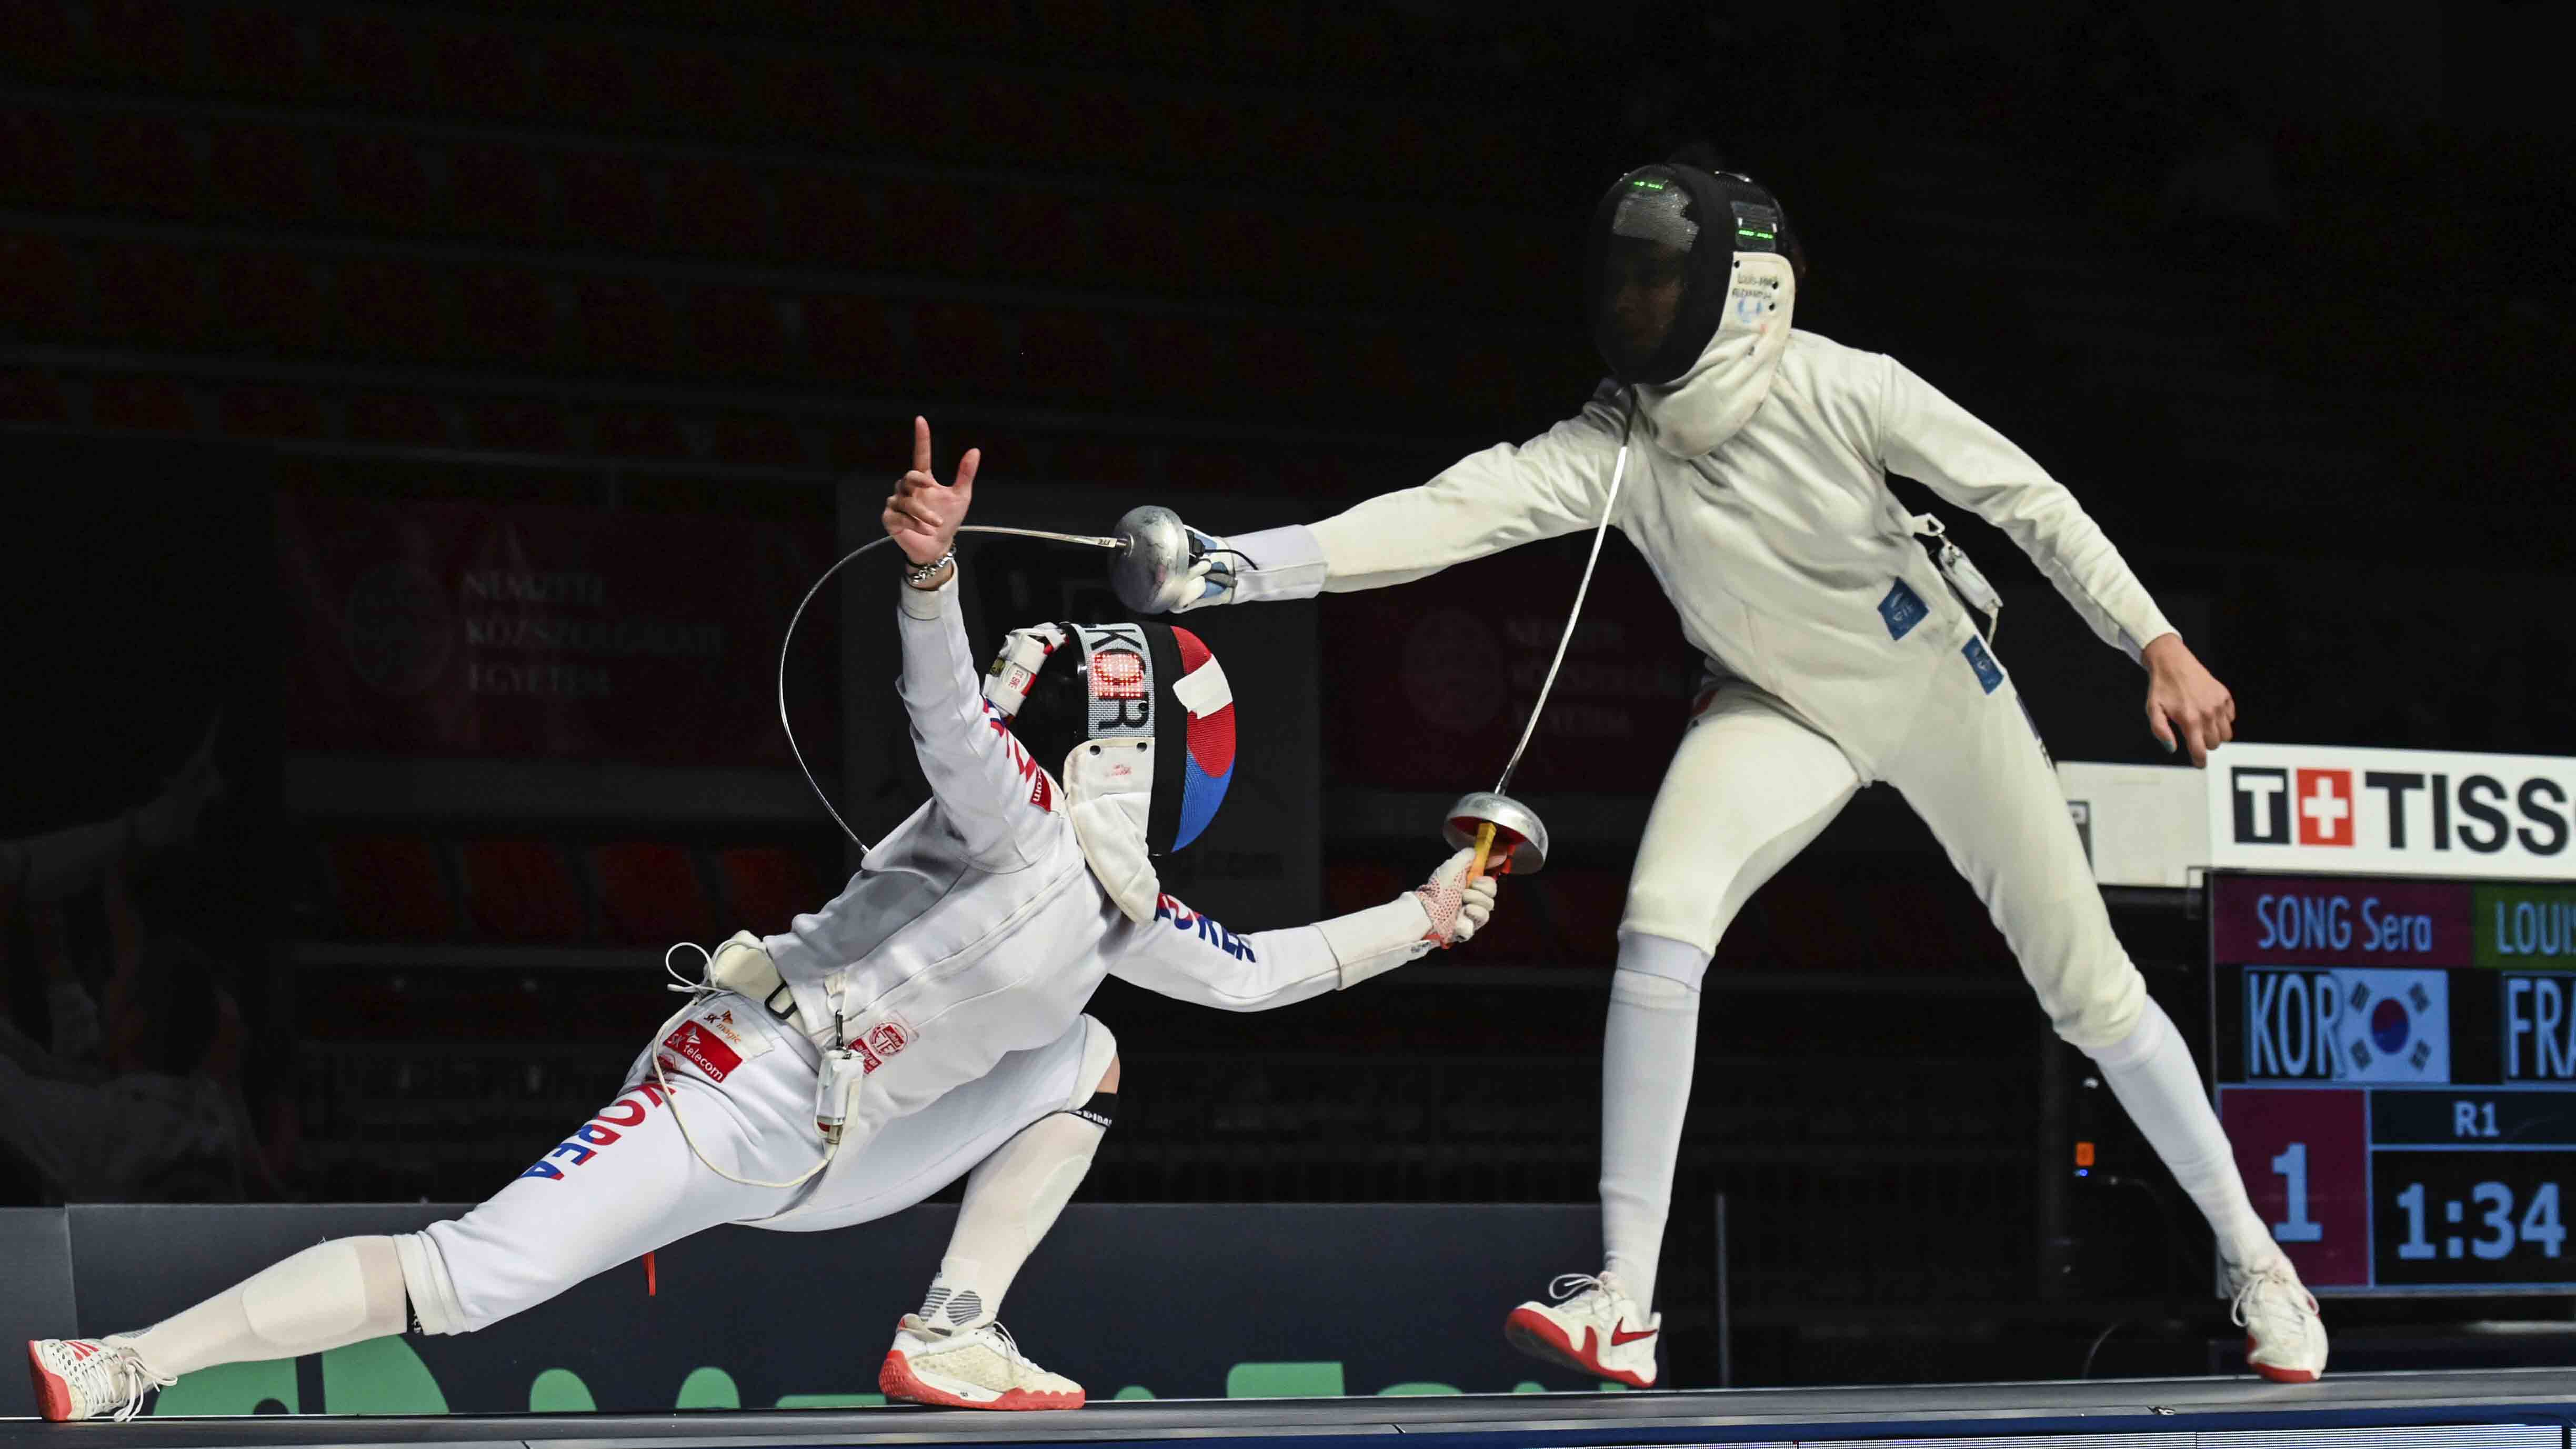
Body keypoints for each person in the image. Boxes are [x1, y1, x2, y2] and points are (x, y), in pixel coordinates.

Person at [26, 419, 1502, 1422]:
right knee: (464, 1280)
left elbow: (1265, 976)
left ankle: (954, 1328)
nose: (1055, 713)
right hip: (730, 1096)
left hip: (842, 1155)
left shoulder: (1134, 919)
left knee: (1087, 1060)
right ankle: (127, 1363)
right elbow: (950, 715)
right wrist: (930, 578)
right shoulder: (1016, 817)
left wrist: (1422, 920)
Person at [1124, 162, 2326, 1386]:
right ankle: (1625, 1301)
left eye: (1656, 278)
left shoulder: (1844, 386)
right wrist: (1233, 569)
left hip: (1934, 693)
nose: (1630, 302)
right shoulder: (1618, 442)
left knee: (2091, 994)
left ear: (1741, 290)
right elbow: (1447, 514)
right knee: (1661, 921)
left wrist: (2156, 641)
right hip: (1775, 708)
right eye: (1623, 277)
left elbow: (2029, 501)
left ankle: (2261, 1265)